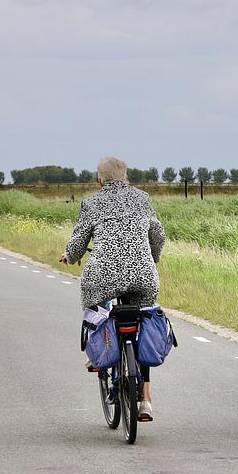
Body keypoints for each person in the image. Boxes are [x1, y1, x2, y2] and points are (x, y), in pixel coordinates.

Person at [60, 156, 165, 421]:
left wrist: (70, 257)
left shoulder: (92, 203)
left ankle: (98, 351)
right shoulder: (142, 199)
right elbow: (158, 236)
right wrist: (151, 258)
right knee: (143, 318)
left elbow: (78, 241)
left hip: (103, 275)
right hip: (143, 274)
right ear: (126, 177)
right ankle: (146, 401)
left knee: (92, 303)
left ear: (100, 179)